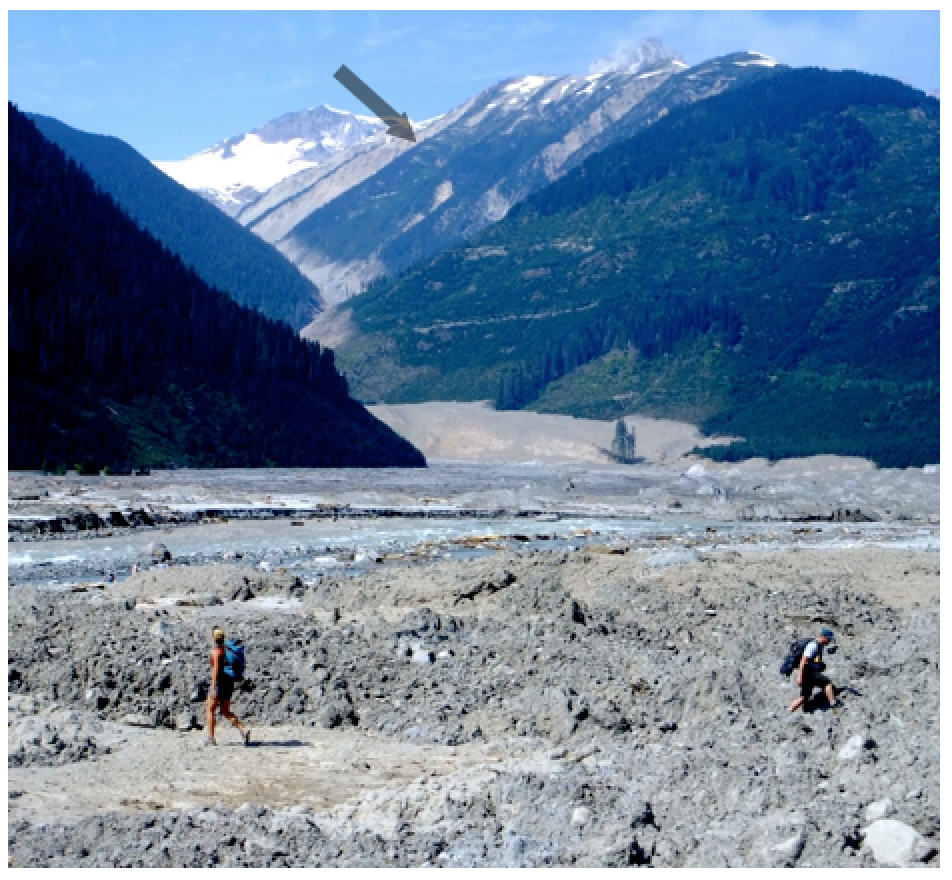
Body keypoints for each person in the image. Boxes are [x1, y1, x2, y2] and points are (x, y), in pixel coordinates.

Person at [205, 626, 251, 746]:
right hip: (229, 683)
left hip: (219, 683)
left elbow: (215, 671)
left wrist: (213, 687)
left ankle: (211, 738)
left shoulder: (216, 652)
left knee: (210, 710)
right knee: (225, 711)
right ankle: (242, 730)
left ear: (214, 639)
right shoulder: (227, 650)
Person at [788, 628, 837, 712]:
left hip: (809, 672)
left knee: (804, 697)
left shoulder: (819, 646)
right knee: (827, 683)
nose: (829, 641)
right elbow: (803, 660)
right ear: (823, 637)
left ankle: (789, 710)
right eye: (828, 639)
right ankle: (834, 705)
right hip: (809, 672)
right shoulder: (813, 645)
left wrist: (820, 665)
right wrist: (799, 676)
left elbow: (814, 660)